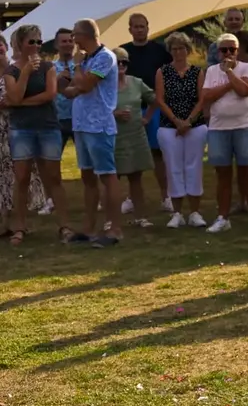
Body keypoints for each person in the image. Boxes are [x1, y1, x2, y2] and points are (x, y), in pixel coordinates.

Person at [3, 24, 72, 243]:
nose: (35, 46)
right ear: (21, 43)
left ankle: (64, 226)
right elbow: (13, 96)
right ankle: (20, 227)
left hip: (48, 126)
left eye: (39, 42)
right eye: (31, 41)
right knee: (21, 178)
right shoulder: (11, 70)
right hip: (21, 129)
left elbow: (50, 94)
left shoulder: (48, 66)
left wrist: (20, 102)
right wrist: (25, 73)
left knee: (53, 178)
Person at [0, 33, 46, 240]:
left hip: (14, 125)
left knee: (20, 173)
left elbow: (24, 94)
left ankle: (21, 222)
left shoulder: (17, 70)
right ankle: (4, 222)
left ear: (6, 47)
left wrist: (9, 102)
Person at [63, 19, 122, 248]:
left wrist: (77, 69)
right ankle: (88, 229)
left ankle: (115, 229)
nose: (72, 40)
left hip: (99, 125)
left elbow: (86, 86)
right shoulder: (88, 59)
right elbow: (76, 88)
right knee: (88, 178)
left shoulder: (105, 57)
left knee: (107, 176)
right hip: (81, 124)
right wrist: (73, 85)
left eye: (74, 35)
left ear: (83, 35)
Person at [202, 33, 248, 232]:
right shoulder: (211, 70)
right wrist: (233, 82)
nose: (228, 53)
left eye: (232, 49)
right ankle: (223, 217)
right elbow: (207, 96)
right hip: (219, 128)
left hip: (245, 126)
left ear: (238, 51)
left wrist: (229, 74)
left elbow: (246, 92)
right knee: (223, 174)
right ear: (218, 52)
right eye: (224, 49)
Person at [120, 13, 172, 214]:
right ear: (130, 29)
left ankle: (166, 196)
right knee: (131, 153)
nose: (140, 29)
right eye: (136, 27)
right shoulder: (124, 52)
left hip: (155, 107)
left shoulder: (160, 51)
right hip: (130, 108)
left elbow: (168, 77)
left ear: (148, 27)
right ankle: (131, 196)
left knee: (158, 153)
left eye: (143, 26)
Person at [156, 33, 208, 228]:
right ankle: (177, 213)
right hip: (169, 127)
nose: (178, 52)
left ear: (188, 50)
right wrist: (177, 121)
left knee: (194, 167)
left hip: (194, 126)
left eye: (182, 48)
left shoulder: (197, 72)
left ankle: (195, 212)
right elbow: (160, 99)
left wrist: (188, 121)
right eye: (175, 49)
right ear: (170, 51)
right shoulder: (163, 72)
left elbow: (202, 99)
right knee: (173, 168)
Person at [112, 47, 159, 228]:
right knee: (112, 180)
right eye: (117, 62)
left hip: (135, 135)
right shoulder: (104, 85)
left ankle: (141, 217)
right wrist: (114, 113)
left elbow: (155, 100)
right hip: (114, 136)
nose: (121, 65)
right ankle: (112, 219)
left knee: (136, 178)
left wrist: (146, 118)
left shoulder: (136, 82)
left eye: (124, 62)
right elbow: (97, 109)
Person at [52, 28, 78, 148]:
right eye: (64, 41)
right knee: (54, 157)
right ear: (56, 45)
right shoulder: (50, 68)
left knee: (85, 158)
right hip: (58, 119)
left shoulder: (81, 64)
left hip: (78, 117)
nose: (68, 44)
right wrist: (57, 78)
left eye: (70, 41)